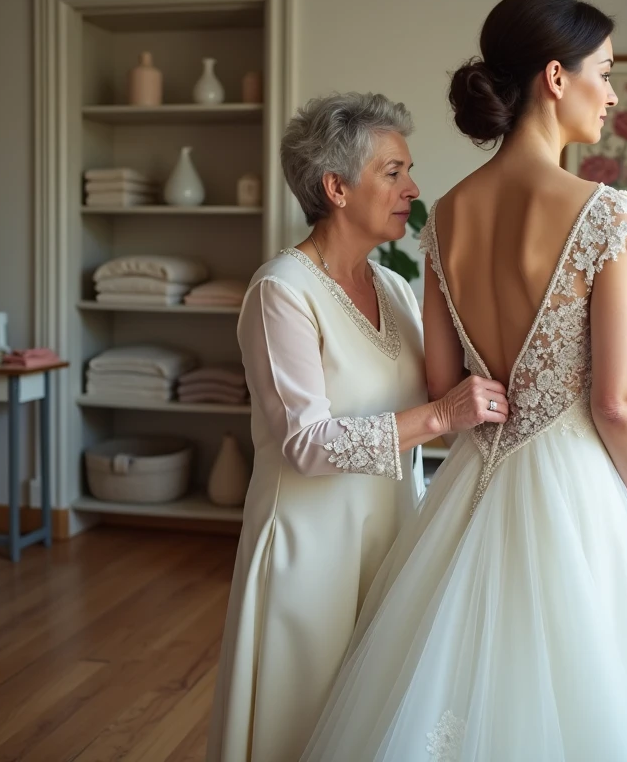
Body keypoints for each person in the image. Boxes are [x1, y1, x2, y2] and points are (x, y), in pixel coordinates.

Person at [302, 0, 627, 760]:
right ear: (556, 77)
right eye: (606, 72)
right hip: (575, 484)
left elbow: (445, 383)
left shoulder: (445, 217)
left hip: (475, 480)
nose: (613, 94)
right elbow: (616, 400)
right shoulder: (604, 214)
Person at [207, 92, 509, 762]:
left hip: (393, 536)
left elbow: (441, 402)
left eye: (409, 172)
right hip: (309, 552)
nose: (413, 189)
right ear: (336, 188)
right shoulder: (281, 291)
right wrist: (442, 414)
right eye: (393, 172)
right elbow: (306, 443)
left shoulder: (394, 288)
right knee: (302, 724)